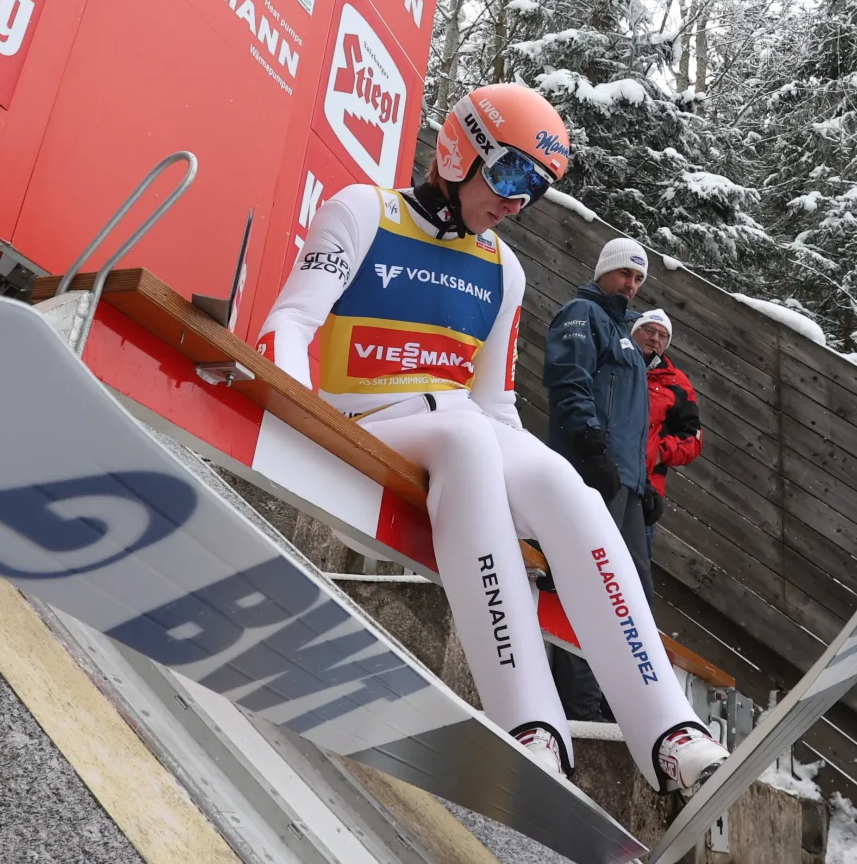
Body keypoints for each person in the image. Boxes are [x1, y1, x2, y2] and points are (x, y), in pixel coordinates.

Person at [256, 83, 727, 794]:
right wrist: (296, 422)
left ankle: (670, 731)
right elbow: (291, 322)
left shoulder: (505, 269)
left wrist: (529, 487)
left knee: (563, 483)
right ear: (459, 151)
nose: (517, 201)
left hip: (463, 425)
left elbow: (495, 405)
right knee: (468, 442)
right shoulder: (362, 211)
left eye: (535, 189)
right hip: (367, 419)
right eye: (510, 176)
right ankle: (529, 724)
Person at [542, 237, 656, 723]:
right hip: (593, 469)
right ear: (604, 270)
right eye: (625, 273)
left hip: (625, 481)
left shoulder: (626, 334)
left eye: (638, 278)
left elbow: (632, 418)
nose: (631, 285)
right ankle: (582, 704)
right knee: (592, 582)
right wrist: (589, 443)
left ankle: (621, 701)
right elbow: (568, 379)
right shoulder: (581, 313)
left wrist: (643, 483)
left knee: (635, 591)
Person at [631, 309, 703, 555]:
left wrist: (658, 453)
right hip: (599, 473)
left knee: (632, 564)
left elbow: (693, 437)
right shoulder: (612, 360)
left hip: (645, 489)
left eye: (662, 336)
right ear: (634, 331)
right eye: (649, 330)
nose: (655, 338)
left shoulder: (676, 382)